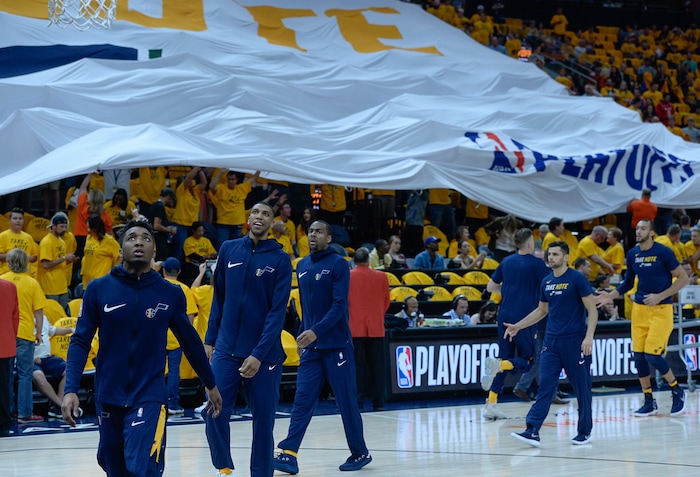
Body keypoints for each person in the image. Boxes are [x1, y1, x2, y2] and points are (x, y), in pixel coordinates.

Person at [62, 220, 222, 476]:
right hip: (108, 395)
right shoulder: (97, 290)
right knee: (115, 468)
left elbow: (190, 341)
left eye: (146, 238)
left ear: (154, 252)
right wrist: (70, 389)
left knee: (143, 467)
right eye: (132, 238)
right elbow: (80, 341)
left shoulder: (169, 293)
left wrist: (210, 383)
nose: (139, 242)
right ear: (120, 250)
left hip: (150, 394)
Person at [274, 220, 371, 474]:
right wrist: (302, 337)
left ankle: (360, 452)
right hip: (312, 348)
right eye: (310, 232)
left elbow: (339, 306)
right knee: (302, 400)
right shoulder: (302, 265)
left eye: (318, 232)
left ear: (329, 238)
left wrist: (315, 332)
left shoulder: (339, 264)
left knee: (346, 402)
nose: (313, 235)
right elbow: (307, 308)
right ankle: (289, 453)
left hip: (337, 345)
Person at [203, 201, 292, 477]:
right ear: (248, 217)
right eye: (255, 212)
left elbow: (277, 313)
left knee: (263, 422)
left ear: (271, 223)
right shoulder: (229, 249)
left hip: (264, 356)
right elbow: (218, 298)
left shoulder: (280, 259)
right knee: (213, 412)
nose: (259, 217)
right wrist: (210, 339)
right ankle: (224, 464)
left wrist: (258, 354)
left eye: (265, 214)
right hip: (227, 350)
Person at [507, 241, 598, 447]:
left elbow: (592, 310)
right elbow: (541, 311)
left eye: (556, 254)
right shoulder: (546, 282)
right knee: (545, 387)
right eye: (549, 254)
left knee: (582, 388)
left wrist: (589, 336)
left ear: (566, 257)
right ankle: (532, 430)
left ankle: (584, 432)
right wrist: (518, 326)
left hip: (575, 342)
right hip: (551, 342)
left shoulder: (577, 279)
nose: (551, 257)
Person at [596, 219, 689, 417]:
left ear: (652, 232)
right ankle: (649, 400)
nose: (638, 231)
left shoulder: (663, 252)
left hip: (661, 310)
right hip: (639, 310)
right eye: (637, 228)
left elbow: (683, 278)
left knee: (652, 355)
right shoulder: (632, 254)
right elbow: (627, 283)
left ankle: (676, 390)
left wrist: (660, 296)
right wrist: (610, 295)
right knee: (638, 357)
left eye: (643, 228)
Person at [481, 228, 550, 419]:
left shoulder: (507, 261)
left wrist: (511, 286)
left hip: (503, 315)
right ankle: (500, 365)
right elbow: (548, 287)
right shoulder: (537, 264)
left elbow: (491, 287)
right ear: (530, 244)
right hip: (523, 319)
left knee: (504, 356)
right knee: (528, 360)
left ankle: (491, 403)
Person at [2, 248, 46, 423]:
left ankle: (8, 411)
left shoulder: (2, 280)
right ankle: (24, 413)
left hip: (6, 333)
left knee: (6, 376)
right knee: (25, 374)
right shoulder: (32, 283)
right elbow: (39, 312)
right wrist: (39, 333)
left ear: (9, 262)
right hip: (25, 332)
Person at [348, 247, 390, 411]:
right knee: (377, 367)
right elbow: (387, 301)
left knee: (356, 367)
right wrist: (377, 314)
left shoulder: (348, 276)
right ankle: (378, 402)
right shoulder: (382, 276)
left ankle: (358, 402)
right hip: (376, 327)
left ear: (354, 261)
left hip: (354, 327)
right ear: (368, 260)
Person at [160, 257, 198, 415]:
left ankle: (157, 402)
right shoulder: (184, 289)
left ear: (163, 271)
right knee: (174, 371)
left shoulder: (157, 286)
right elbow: (189, 316)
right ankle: (173, 404)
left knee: (157, 370)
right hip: (176, 337)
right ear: (180, 271)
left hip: (158, 336)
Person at [33, 315, 74, 419]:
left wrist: (70, 329)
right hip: (29, 359)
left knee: (70, 369)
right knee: (38, 376)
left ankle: (57, 408)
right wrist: (31, 356)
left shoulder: (43, 317)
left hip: (47, 358)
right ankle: (62, 406)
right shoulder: (21, 319)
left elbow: (53, 331)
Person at [208, 169, 260, 249]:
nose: (231, 181)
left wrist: (259, 168)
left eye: (233, 179)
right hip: (223, 224)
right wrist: (221, 173)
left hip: (237, 224)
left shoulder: (241, 188)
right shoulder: (222, 188)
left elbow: (254, 178)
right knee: (222, 248)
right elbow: (211, 186)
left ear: (236, 180)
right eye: (229, 179)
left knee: (237, 248)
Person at [37, 212, 78, 313]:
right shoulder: (47, 242)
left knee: (63, 314)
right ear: (53, 226)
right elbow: (45, 264)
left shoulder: (61, 241)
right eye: (61, 226)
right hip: (50, 288)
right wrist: (64, 258)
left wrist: (69, 261)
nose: (64, 229)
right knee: (52, 315)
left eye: (65, 226)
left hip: (62, 287)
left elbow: (59, 263)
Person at [81, 215, 122, 291]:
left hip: (101, 282)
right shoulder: (89, 238)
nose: (88, 230)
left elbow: (121, 256)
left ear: (96, 228)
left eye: (89, 228)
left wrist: (112, 271)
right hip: (87, 281)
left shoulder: (109, 241)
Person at [0, 277, 19, 437]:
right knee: (4, 387)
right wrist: (11, 337)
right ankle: (4, 425)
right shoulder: (10, 286)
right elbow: (15, 317)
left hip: (6, 342)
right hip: (5, 343)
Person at [0, 207, 39, 278]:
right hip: (7, 276)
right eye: (15, 218)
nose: (18, 221)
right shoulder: (2, 236)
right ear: (9, 220)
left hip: (25, 275)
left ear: (23, 221)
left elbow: (34, 257)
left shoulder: (28, 237)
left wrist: (28, 258)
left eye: (20, 219)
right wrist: (16, 256)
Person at [148, 187, 177, 261]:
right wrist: (169, 230)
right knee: (160, 260)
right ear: (168, 197)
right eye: (171, 199)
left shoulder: (154, 205)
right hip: (158, 240)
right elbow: (156, 226)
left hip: (152, 238)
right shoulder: (159, 207)